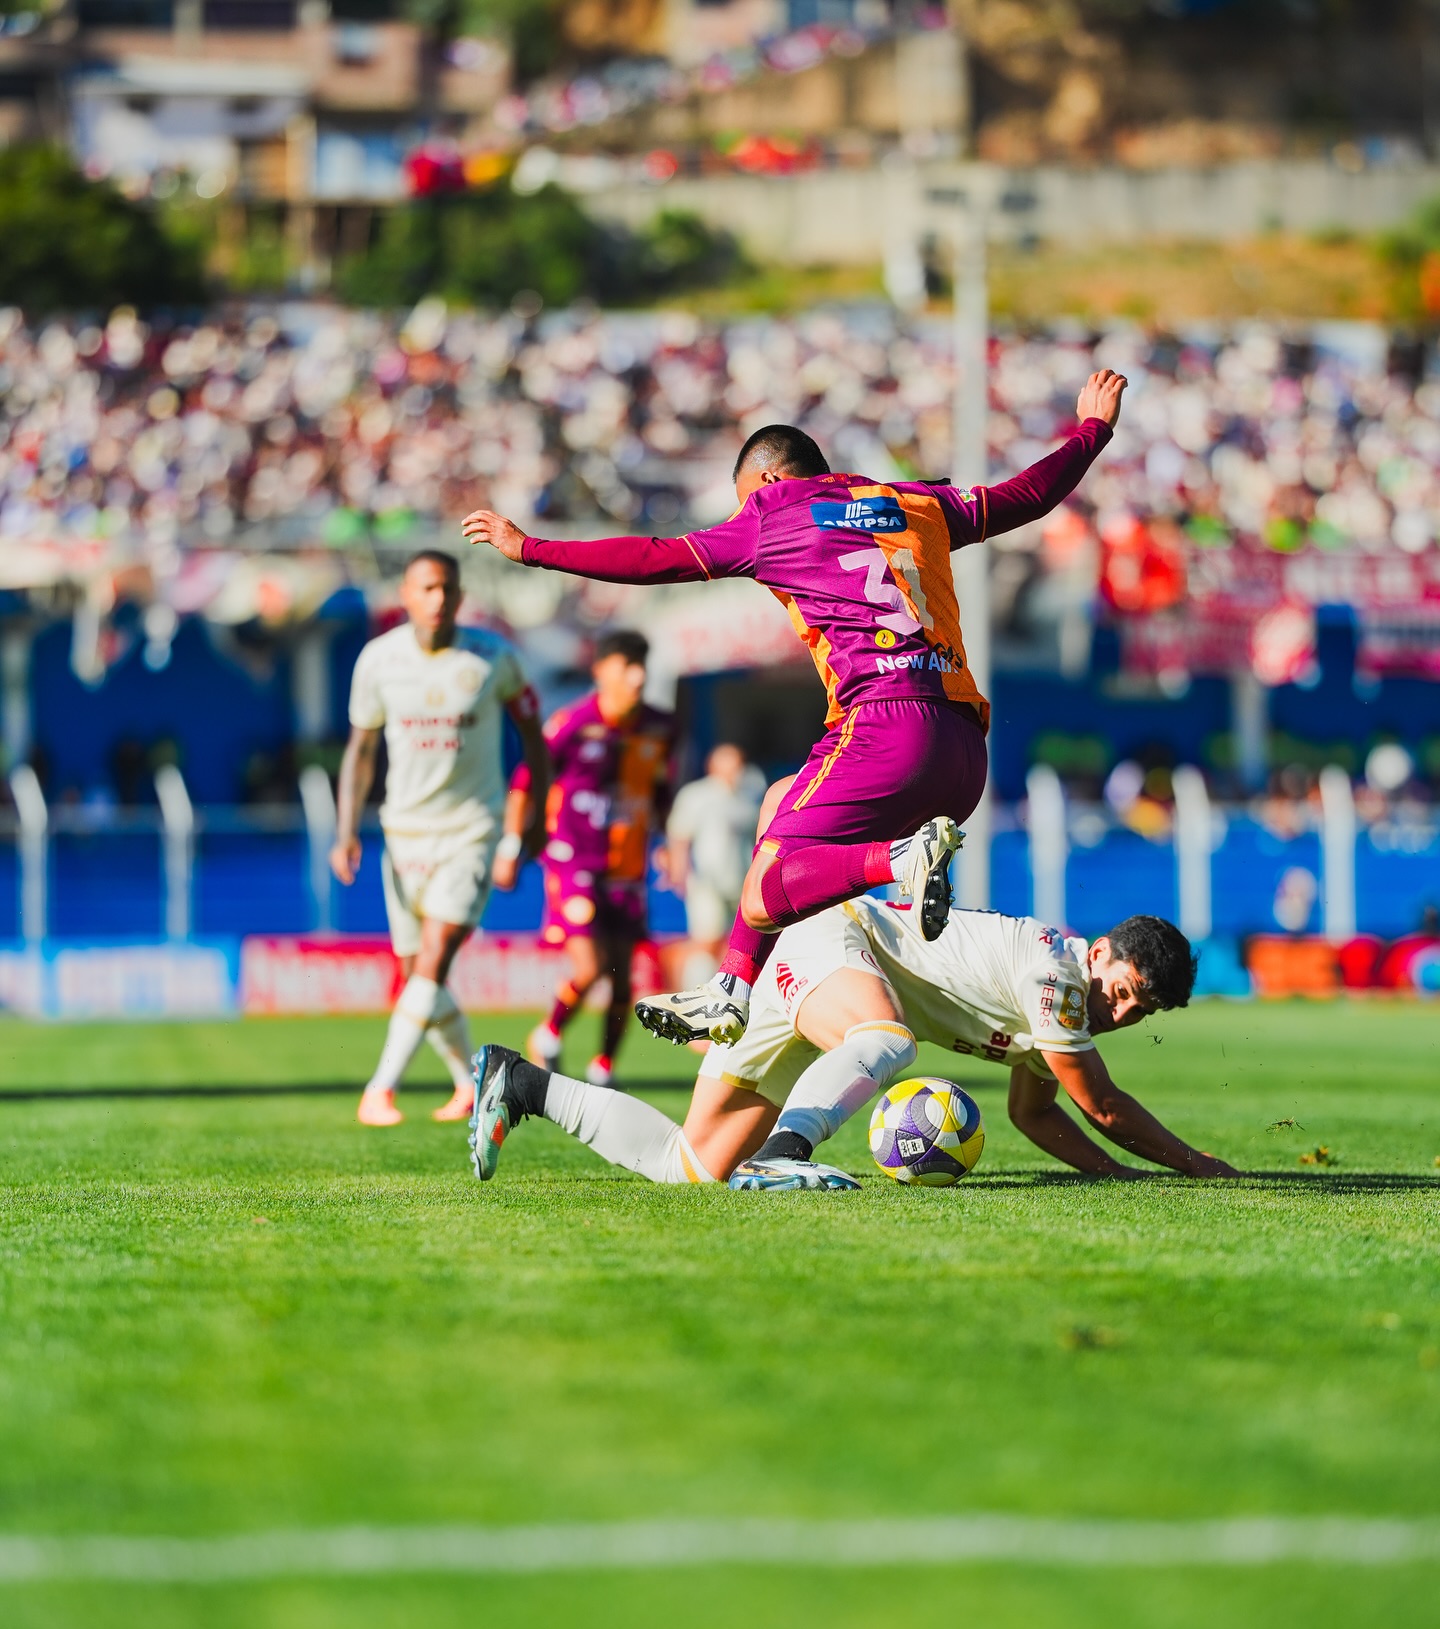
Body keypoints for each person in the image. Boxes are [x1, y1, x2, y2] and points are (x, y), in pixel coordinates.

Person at [461, 370, 1127, 1051]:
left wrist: (531, 549)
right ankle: (731, 990)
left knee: (765, 888)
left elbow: (658, 558)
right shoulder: (911, 503)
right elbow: (1029, 496)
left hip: (884, 728)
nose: (740, 515)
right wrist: (1092, 429)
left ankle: (900, 862)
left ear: (768, 482)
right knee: (779, 804)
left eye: (743, 500)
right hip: (962, 751)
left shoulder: (773, 515)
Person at [468, 899, 1240, 1188]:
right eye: (1122, 986)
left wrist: (1112, 1178)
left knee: (691, 1168)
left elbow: (1038, 1117)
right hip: (834, 942)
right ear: (1099, 952)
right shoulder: (1057, 982)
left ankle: (518, 1083)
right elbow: (1100, 1105)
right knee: (888, 1037)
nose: (1119, 1007)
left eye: (1138, 1008)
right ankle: (788, 1154)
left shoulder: (1059, 1015)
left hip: (825, 988)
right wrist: (1199, 1167)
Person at [331, 550, 550, 1126]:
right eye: (426, 588)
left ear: (459, 596)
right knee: (415, 975)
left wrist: (530, 820)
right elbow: (361, 749)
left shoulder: (493, 658)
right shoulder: (378, 661)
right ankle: (468, 1082)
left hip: (471, 831)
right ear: (404, 595)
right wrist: (346, 829)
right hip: (403, 835)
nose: (437, 599)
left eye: (446, 589)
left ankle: (379, 1089)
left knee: (430, 962)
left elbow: (535, 738)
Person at [518, 630, 675, 1088]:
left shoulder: (661, 726)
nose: (639, 675)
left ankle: (603, 1067)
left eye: (642, 663)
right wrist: (514, 844)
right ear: (602, 671)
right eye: (628, 664)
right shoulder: (572, 722)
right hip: (573, 859)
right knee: (589, 967)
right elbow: (527, 779)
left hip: (626, 864)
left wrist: (665, 842)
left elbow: (661, 789)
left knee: (624, 979)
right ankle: (548, 1034)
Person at [665, 743, 767, 969]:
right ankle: (691, 988)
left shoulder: (748, 797)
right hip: (707, 879)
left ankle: (722, 991)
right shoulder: (696, 795)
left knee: (735, 943)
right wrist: (678, 870)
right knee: (706, 939)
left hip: (741, 881)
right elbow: (679, 835)